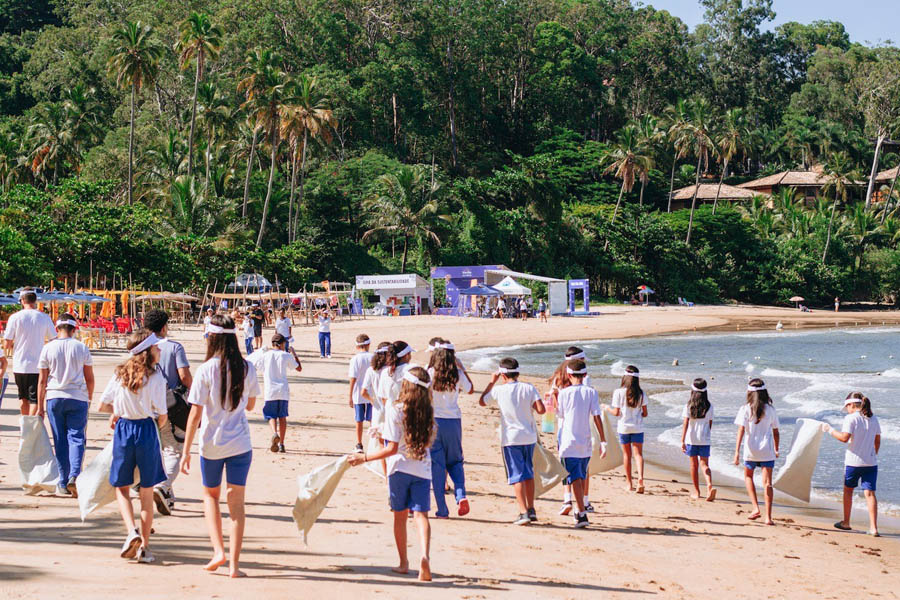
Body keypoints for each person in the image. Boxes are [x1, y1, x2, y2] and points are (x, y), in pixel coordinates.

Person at [180, 315, 260, 578]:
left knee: (211, 496)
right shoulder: (247, 368)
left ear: (211, 338)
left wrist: (185, 451)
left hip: (211, 444)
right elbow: (250, 406)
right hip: (240, 443)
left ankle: (218, 551)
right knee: (237, 504)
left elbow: (195, 414)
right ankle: (235, 566)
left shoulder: (205, 370)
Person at [348, 366, 436, 582]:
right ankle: (424, 556)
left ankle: (404, 563)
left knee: (399, 517)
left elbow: (392, 448)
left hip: (399, 469)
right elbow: (423, 441)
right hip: (423, 470)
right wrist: (383, 433)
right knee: (421, 515)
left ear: (405, 385)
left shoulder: (396, 409)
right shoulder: (429, 412)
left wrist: (364, 457)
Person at [97, 329, 168, 563]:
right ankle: (145, 547)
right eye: (156, 347)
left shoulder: (120, 374)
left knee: (122, 487)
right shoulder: (156, 378)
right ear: (147, 351)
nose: (159, 350)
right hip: (147, 430)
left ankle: (131, 532)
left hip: (124, 430)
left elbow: (103, 405)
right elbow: (162, 415)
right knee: (146, 493)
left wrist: (118, 412)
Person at [479, 357, 545, 525]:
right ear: (518, 372)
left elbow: (482, 401)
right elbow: (541, 409)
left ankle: (523, 512)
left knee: (517, 476)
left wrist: (491, 382)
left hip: (511, 438)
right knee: (528, 473)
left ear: (502, 375)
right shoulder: (529, 388)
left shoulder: (499, 391)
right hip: (528, 436)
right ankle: (531, 508)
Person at [36, 314, 94, 496]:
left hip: (54, 397)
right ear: (74, 329)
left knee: (60, 440)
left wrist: (39, 406)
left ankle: (63, 481)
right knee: (76, 438)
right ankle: (75, 475)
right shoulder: (81, 347)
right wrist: (88, 398)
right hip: (77, 397)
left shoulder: (48, 348)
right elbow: (89, 378)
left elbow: (42, 381)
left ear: (57, 328)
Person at [144, 309, 193, 516]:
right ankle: (163, 486)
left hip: (145, 407)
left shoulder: (142, 347)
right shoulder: (174, 347)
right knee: (174, 450)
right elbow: (184, 376)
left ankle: (168, 497)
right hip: (171, 406)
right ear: (164, 327)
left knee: (159, 450)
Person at [823, 392, 881, 536]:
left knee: (848, 491)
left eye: (847, 407)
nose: (846, 410)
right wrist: (873, 453)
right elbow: (877, 440)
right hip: (871, 463)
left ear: (851, 405)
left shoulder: (851, 418)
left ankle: (846, 522)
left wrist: (830, 430)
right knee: (870, 494)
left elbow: (844, 438)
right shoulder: (873, 418)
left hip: (853, 463)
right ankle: (874, 528)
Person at [556, 359, 605, 528]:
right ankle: (580, 509)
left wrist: (553, 400)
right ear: (584, 375)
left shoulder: (564, 393)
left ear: (569, 375)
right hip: (585, 440)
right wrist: (603, 440)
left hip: (569, 440)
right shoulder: (591, 392)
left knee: (575, 477)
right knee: (581, 475)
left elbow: (560, 415)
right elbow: (597, 416)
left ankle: (582, 513)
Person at [428, 343, 473, 518]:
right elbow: (470, 389)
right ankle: (460, 495)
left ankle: (442, 508)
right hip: (453, 421)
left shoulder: (430, 373)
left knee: (437, 465)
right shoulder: (457, 374)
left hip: (434, 422)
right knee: (455, 461)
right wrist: (461, 368)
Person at [550, 347, 596, 515]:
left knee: (566, 464)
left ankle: (567, 498)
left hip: (563, 427)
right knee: (583, 467)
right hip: (581, 427)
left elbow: (555, 406)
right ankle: (584, 501)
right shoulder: (585, 380)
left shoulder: (558, 377)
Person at [733, 377, 779, 526]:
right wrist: (777, 448)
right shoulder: (771, 409)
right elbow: (776, 431)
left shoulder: (745, 409)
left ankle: (755, 508)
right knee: (768, 483)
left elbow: (740, 430)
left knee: (748, 476)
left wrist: (737, 452)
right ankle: (768, 517)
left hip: (750, 449)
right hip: (766, 449)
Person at [3, 290, 57, 415]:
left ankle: (24, 426)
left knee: (23, 398)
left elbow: (7, 344)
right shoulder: (44, 317)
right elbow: (54, 340)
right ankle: (30, 428)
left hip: (19, 364)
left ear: (22, 301)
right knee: (35, 400)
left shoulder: (15, 317)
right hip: (38, 365)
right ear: (35, 301)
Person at [248, 333, 302, 453]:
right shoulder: (285, 355)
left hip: (270, 390)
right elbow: (298, 368)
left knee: (271, 415)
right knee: (282, 416)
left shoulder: (265, 355)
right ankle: (282, 444)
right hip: (283, 390)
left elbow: (255, 365)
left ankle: (274, 433)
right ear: (282, 344)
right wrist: (294, 354)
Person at [603, 365, 648, 493]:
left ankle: (629, 483)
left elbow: (616, 412)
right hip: (638, 427)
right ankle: (640, 479)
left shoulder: (618, 392)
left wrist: (606, 408)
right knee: (638, 454)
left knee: (627, 455)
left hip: (623, 427)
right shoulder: (641, 393)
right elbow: (645, 413)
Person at [680, 378, 716, 501]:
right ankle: (709, 484)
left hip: (692, 439)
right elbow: (710, 424)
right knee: (705, 464)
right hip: (705, 439)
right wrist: (706, 435)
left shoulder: (689, 406)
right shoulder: (709, 406)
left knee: (693, 465)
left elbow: (685, 424)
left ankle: (696, 491)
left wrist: (682, 440)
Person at [348, 334, 373, 452]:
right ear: (368, 344)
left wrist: (350, 395)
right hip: (371, 393)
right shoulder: (373, 357)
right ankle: (374, 443)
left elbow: (353, 378)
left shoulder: (355, 359)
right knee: (372, 420)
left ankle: (359, 443)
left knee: (359, 420)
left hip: (358, 393)